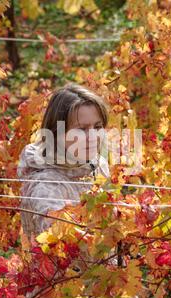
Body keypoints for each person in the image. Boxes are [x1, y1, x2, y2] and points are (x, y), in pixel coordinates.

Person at [17, 83, 110, 249]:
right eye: (81, 129)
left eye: (97, 127)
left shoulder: (98, 165)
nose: (93, 137)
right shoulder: (45, 185)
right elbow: (65, 245)